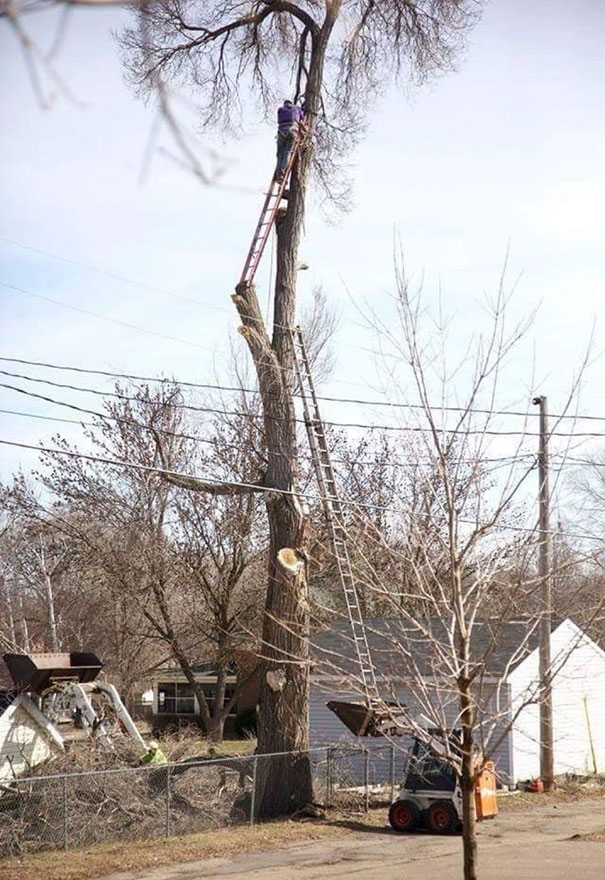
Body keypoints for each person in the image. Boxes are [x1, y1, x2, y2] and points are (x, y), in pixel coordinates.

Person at [275, 99, 304, 180]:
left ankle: (278, 172)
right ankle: (282, 171)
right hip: (293, 131)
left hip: (281, 132)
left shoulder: (280, 109)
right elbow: (302, 118)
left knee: (280, 153)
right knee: (287, 151)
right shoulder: (296, 108)